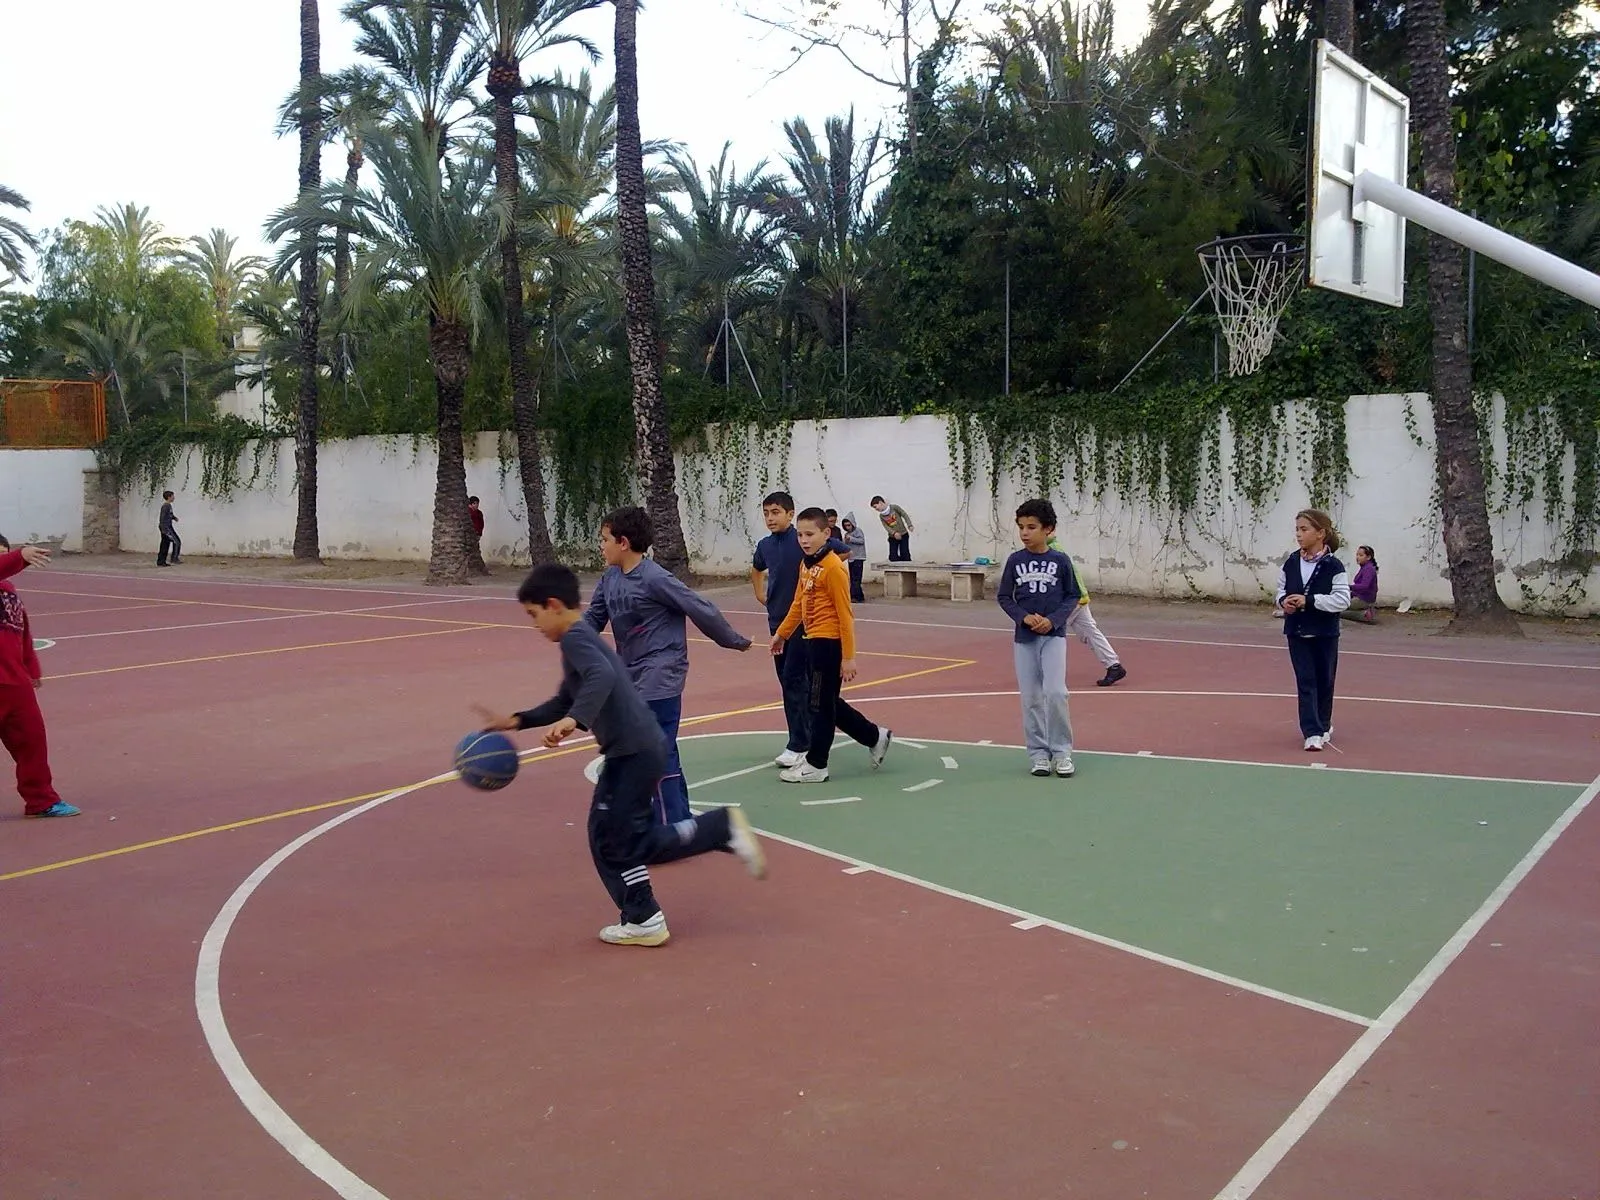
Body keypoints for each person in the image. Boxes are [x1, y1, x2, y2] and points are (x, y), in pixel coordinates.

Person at [474, 563, 765, 948]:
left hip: (633, 752)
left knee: (620, 841)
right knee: (609, 835)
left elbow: (601, 678)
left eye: (533, 615)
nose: (534, 625)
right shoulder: (576, 640)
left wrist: (575, 721)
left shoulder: (577, 639)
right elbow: (567, 696)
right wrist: (518, 720)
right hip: (634, 750)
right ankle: (644, 912)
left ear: (553, 604)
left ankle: (711, 837)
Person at [584, 506, 752, 824]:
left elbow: (698, 607)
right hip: (630, 674)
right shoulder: (610, 578)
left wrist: (730, 639)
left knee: (654, 748)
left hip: (662, 673)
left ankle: (670, 824)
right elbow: (594, 615)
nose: (600, 546)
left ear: (622, 542)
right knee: (655, 747)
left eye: (603, 539)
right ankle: (675, 816)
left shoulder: (655, 578)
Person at [769, 508, 892, 783]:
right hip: (811, 640)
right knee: (825, 701)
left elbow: (846, 615)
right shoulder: (807, 564)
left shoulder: (834, 568)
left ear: (827, 533)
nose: (804, 539)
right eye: (800, 534)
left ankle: (817, 764)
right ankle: (874, 735)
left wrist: (848, 657)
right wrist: (782, 634)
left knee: (819, 705)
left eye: (810, 534)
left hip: (829, 643)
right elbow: (798, 604)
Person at [999, 501, 1081, 777]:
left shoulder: (1060, 561)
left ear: (1049, 530)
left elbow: (1073, 596)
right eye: (1021, 527)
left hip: (1054, 636)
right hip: (1024, 639)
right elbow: (1004, 597)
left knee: (1056, 692)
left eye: (1031, 527)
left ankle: (1061, 752)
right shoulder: (1015, 561)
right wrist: (1022, 616)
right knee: (1031, 696)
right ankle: (1038, 753)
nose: (1024, 532)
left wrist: (1054, 620)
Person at [0, 536, 79, 818]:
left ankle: (41, 800)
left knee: (32, 741)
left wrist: (31, 668)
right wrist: (20, 556)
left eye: (3, 553)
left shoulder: (8, 591)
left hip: (14, 684)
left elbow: (22, 631)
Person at [1276, 509, 1351, 752]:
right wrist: (1283, 602)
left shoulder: (1334, 566)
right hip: (1297, 632)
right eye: (1297, 529)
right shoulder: (1290, 562)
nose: (1298, 534)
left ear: (1321, 533)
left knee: (1325, 680)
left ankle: (1324, 723)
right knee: (1306, 680)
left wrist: (1310, 601)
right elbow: (1280, 590)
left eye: (1304, 529)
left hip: (1325, 633)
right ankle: (1312, 731)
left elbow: (1342, 600)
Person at [751, 491, 812, 768]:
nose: (770, 518)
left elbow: (839, 551)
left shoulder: (802, 540)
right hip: (778, 622)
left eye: (775, 512)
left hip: (805, 621)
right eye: (766, 513)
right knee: (792, 682)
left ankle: (799, 743)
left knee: (796, 682)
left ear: (790, 514)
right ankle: (869, 735)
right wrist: (759, 593)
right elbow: (756, 569)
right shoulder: (765, 545)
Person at [1048, 533, 1126, 687]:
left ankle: (1045, 672)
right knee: (1090, 632)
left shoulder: (1052, 552)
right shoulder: (1052, 549)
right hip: (1078, 597)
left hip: (1070, 600)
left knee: (1048, 632)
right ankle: (1113, 665)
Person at [870, 496, 914, 562]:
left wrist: (909, 525)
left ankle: (906, 565)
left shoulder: (894, 507)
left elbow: (904, 514)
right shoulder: (881, 516)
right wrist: (894, 533)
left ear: (880, 503)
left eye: (875, 507)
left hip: (903, 534)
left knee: (905, 554)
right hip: (892, 537)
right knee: (893, 557)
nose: (875, 509)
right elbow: (886, 526)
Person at [1343, 544, 1379, 623]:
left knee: (1337, 608)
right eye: (1357, 555)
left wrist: (1349, 587)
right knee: (1338, 607)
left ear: (1368, 557)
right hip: (1360, 597)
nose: (1357, 557)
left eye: (1361, 555)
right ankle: (1364, 614)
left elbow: (1364, 586)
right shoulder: (1365, 567)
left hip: (1364, 599)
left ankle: (1364, 614)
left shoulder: (1368, 569)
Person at [841, 512, 867, 603]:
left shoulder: (858, 531)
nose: (848, 527)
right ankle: (859, 596)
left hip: (858, 557)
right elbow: (845, 545)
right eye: (846, 526)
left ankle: (855, 596)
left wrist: (851, 539)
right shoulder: (847, 534)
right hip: (851, 557)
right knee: (852, 578)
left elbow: (861, 541)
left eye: (849, 525)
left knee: (856, 578)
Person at [157, 490, 181, 566]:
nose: (174, 498)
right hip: (166, 528)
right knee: (175, 542)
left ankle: (162, 561)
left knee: (166, 544)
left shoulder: (169, 506)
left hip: (168, 527)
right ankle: (172, 559)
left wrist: (174, 518)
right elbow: (162, 518)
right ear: (169, 497)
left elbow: (170, 515)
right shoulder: (165, 506)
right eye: (172, 496)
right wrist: (164, 530)